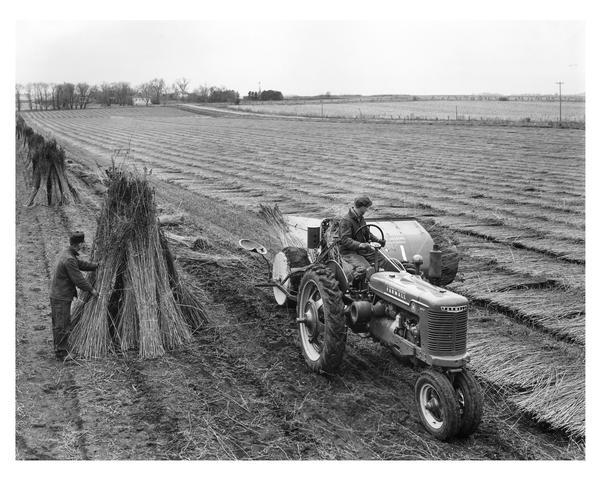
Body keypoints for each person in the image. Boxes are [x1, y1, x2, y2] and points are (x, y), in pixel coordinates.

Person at [49, 232, 98, 361]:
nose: (84, 245)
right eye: (83, 243)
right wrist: (92, 290)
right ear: (80, 244)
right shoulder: (70, 258)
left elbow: (80, 264)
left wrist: (95, 266)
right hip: (61, 295)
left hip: (58, 294)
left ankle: (59, 347)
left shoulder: (67, 253)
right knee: (62, 324)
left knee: (59, 323)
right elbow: (79, 280)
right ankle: (62, 353)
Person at [339, 196, 397, 279]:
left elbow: (367, 233)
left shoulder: (360, 218)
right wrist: (360, 245)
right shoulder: (346, 221)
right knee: (366, 269)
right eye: (366, 208)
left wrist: (378, 241)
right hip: (349, 252)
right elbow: (345, 240)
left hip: (363, 250)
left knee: (384, 262)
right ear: (362, 207)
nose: (367, 210)